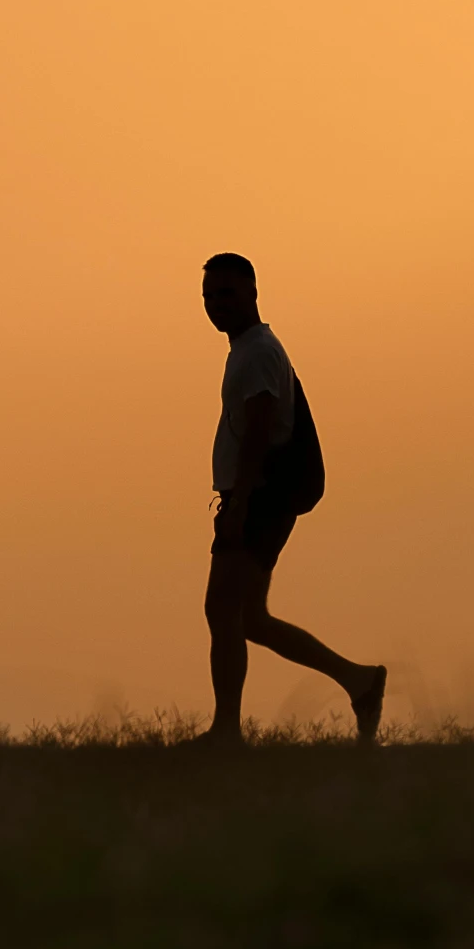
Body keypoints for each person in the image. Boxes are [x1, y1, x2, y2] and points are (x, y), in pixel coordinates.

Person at [194, 252, 386, 745]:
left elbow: (260, 428)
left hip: (258, 497)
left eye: (227, 294)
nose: (217, 304)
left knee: (223, 610)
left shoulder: (257, 351)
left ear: (253, 292)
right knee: (250, 618)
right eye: (209, 297)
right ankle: (359, 681)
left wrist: (238, 507)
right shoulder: (248, 348)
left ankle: (225, 732)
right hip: (260, 497)